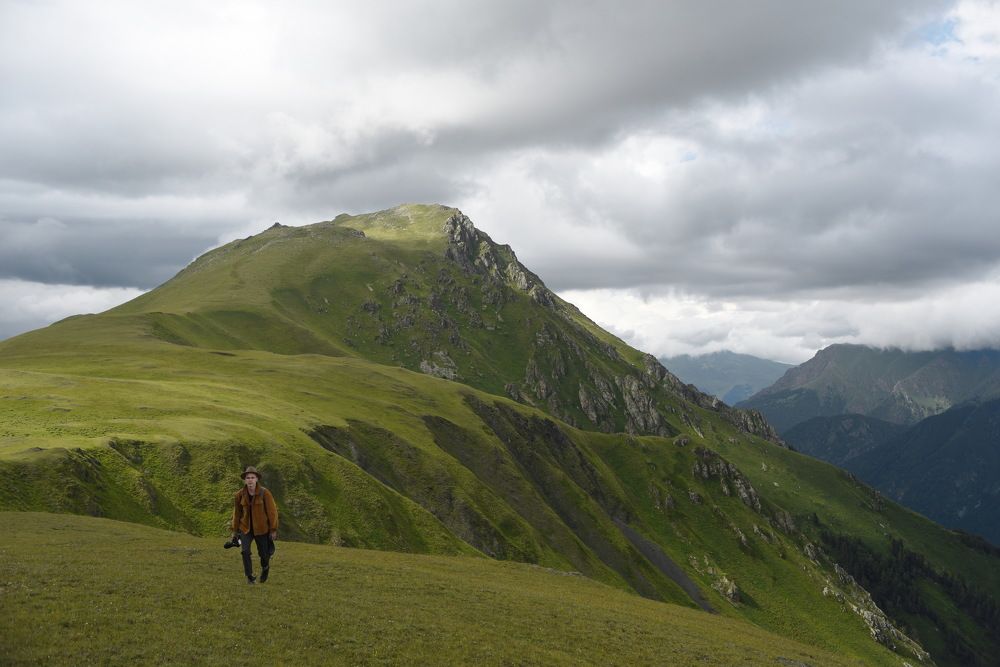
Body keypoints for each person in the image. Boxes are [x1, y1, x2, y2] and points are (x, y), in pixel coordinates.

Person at [231, 465, 279, 585]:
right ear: (245, 480)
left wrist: (273, 529)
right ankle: (249, 576)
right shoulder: (239, 495)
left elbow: (272, 512)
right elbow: (237, 514)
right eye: (248, 478)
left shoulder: (265, 493)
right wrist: (235, 531)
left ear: (257, 479)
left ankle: (265, 567)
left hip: (262, 529)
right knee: (245, 551)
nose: (250, 480)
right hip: (245, 528)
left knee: (264, 554)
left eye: (252, 477)